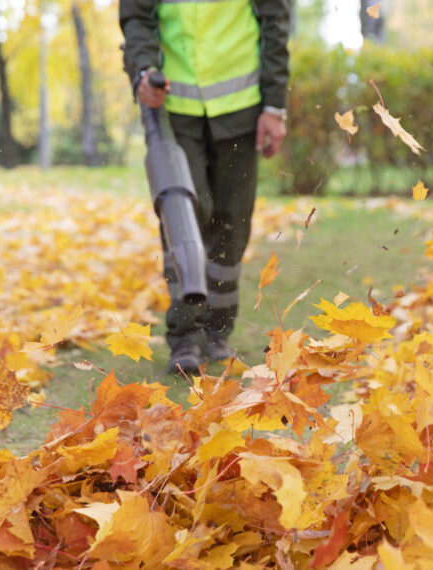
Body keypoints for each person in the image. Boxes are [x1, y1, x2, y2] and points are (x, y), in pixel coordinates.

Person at [120, 0, 290, 374]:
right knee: (184, 214)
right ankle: (185, 336)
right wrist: (143, 72)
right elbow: (137, 17)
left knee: (231, 222)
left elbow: (275, 19)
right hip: (173, 106)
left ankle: (218, 330)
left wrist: (275, 106)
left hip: (242, 106)